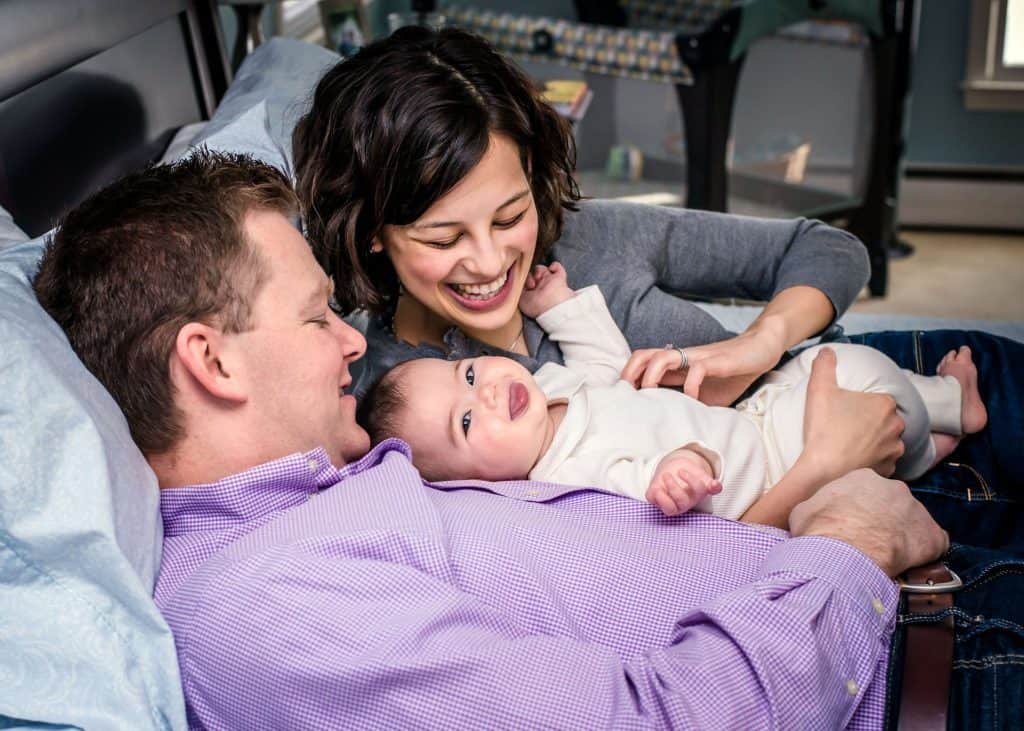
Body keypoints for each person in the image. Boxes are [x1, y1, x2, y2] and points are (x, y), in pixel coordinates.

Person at [33, 151, 1024, 728]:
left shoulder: (322, 495)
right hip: (899, 666)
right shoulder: (267, 610)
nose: (349, 341)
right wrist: (847, 540)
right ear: (213, 362)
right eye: (313, 317)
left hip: (859, 591)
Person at [293, 26, 871, 408]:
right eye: (444, 238)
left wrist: (762, 343)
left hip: (846, 381)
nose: (492, 262)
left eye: (508, 216)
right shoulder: (402, 397)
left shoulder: (586, 239)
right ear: (371, 231)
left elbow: (828, 251)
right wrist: (824, 463)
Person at [359, 263, 986, 526]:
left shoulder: (546, 390)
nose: (489, 393)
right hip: (777, 471)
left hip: (757, 414)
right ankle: (927, 444)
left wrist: (559, 306)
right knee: (861, 378)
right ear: (476, 487)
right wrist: (678, 475)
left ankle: (942, 409)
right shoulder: (567, 486)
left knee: (836, 356)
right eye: (466, 424)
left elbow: (605, 363)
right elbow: (650, 499)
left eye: (469, 376)